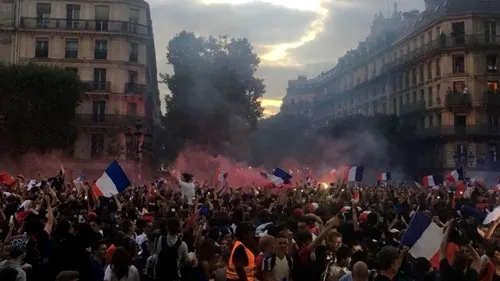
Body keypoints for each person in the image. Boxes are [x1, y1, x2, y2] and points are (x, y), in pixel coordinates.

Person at [152, 217, 189, 281]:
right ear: (178, 228)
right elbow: (185, 261)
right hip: (174, 276)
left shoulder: (159, 239)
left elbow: (156, 254)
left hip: (159, 275)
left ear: (167, 227)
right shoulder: (183, 245)